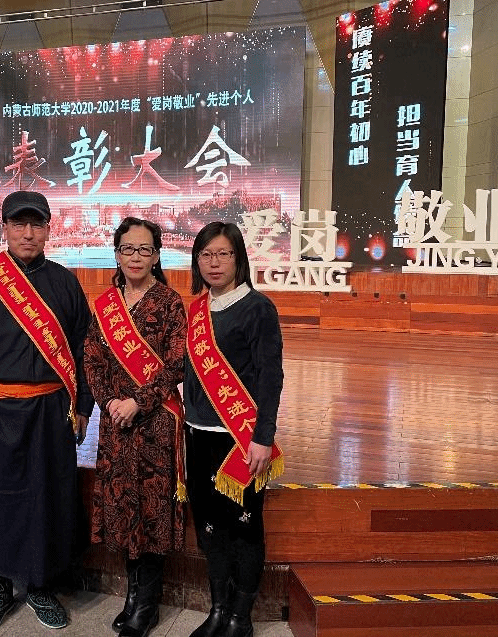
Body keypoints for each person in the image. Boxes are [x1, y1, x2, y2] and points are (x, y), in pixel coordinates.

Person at [0, 190, 94, 635]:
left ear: (48, 229)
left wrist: (82, 405)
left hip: (51, 410)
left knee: (46, 496)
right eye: (18, 224)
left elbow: (84, 350)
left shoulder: (64, 283)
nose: (28, 233)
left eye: (36, 224)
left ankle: (40, 584)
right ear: (5, 228)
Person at [84, 217, 187, 637]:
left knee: (151, 511)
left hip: (155, 425)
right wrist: (109, 402)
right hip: (115, 426)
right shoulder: (106, 305)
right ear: (117, 254)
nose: (136, 257)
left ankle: (147, 604)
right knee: (124, 509)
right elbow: (92, 359)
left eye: (145, 249)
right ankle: (131, 596)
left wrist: (137, 402)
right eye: (128, 248)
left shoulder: (170, 302)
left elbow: (177, 364)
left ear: (157, 255)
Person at [183, 222, 284, 637]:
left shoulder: (258, 308)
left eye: (223, 253)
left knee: (244, 526)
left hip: (238, 439)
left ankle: (241, 618)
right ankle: (219, 610)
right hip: (196, 434)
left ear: (238, 257)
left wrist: (262, 437)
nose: (214, 263)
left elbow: (270, 377)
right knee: (209, 526)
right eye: (206, 255)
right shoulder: (196, 310)